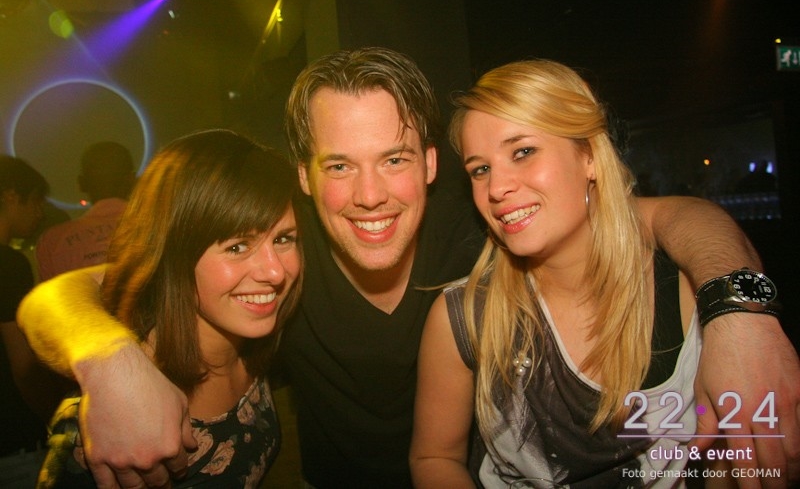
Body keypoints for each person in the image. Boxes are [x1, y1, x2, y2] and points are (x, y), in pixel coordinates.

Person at [17, 48, 800, 488]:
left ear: (429, 164)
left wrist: (742, 313)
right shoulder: (282, 256)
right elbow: (68, 291)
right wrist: (109, 357)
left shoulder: (488, 225)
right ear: (304, 175)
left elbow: (674, 216)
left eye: (393, 159)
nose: (369, 196)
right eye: (339, 165)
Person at [409, 60, 794, 487]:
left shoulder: (687, 290)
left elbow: (734, 454)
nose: (496, 188)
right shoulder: (465, 318)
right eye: (480, 169)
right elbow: (434, 457)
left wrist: (743, 316)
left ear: (589, 156)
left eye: (523, 152)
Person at [34, 130, 303, 488]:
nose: (275, 272)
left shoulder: (251, 343)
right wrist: (107, 365)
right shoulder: (117, 421)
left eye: (283, 239)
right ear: (174, 254)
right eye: (238, 246)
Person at [0, 156, 54, 487]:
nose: (39, 213)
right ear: (11, 197)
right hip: (12, 440)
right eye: (35, 201)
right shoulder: (9, 264)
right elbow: (23, 365)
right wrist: (56, 418)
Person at [36, 141, 135, 281]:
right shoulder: (160, 231)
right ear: (132, 180)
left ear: (81, 183)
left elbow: (51, 294)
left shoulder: (52, 242)